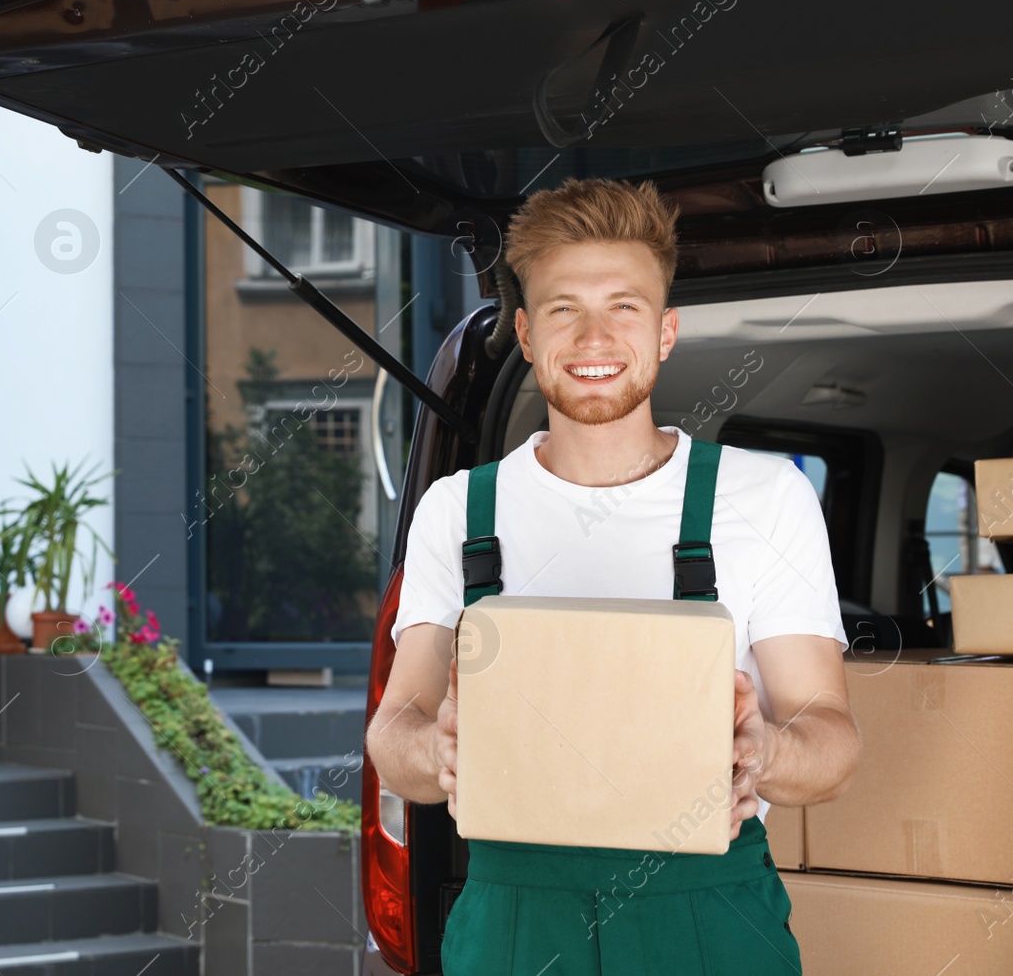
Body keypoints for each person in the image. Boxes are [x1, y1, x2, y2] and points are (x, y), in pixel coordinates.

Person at [365, 177, 861, 974]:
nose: (594, 336)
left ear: (665, 332)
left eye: (623, 306)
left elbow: (832, 741)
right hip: (512, 918)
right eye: (564, 308)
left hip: (708, 909)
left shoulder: (765, 497)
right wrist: (439, 752)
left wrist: (763, 751)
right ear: (526, 333)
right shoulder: (456, 509)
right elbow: (394, 735)